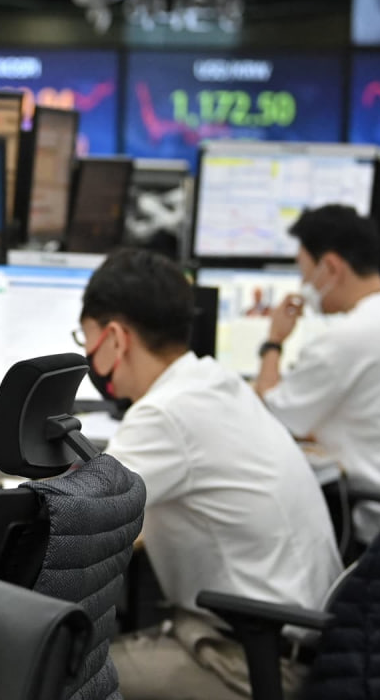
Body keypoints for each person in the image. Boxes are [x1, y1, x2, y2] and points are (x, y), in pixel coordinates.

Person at [80, 249, 341, 700]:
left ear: (116, 338)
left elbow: (72, 518)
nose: (87, 355)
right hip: (292, 646)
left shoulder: (166, 412)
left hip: (248, 663)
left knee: (51, 677)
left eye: (86, 339)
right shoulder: (214, 383)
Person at [254, 205, 380, 544]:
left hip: (358, 516)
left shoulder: (345, 339)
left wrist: (274, 341)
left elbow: (269, 416)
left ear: (330, 267)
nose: (303, 284)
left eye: (304, 271)